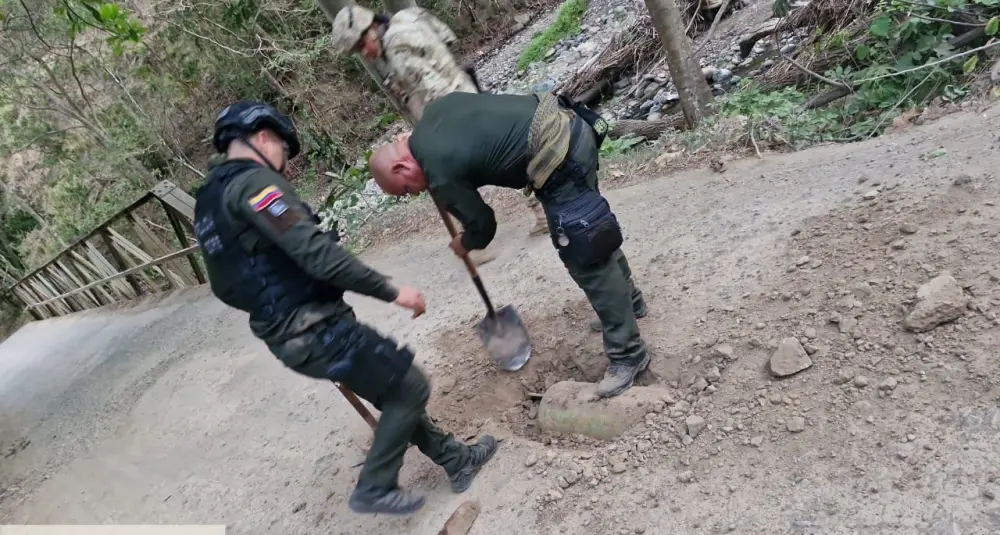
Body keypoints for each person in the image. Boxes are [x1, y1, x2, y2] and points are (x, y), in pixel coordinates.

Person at [192, 100, 497, 515]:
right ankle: (375, 486)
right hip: (317, 329)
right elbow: (317, 255)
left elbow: (224, 286)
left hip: (290, 335)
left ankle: (456, 460)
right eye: (283, 149)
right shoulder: (254, 186)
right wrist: (392, 291)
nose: (283, 165)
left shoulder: (210, 202)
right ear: (262, 138)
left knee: (391, 391)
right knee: (411, 387)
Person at [368, 91, 651, 398]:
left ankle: (628, 354)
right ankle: (630, 303)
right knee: (594, 232)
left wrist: (465, 242)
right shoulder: (435, 115)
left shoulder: (438, 173)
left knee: (586, 255)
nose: (416, 193)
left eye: (408, 190)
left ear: (401, 168)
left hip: (557, 153)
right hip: (567, 124)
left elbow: (484, 225)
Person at [330, 4, 549, 265]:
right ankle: (540, 210)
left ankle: (476, 240)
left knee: (481, 167)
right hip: (466, 92)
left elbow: (432, 90)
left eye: (362, 45)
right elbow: (447, 37)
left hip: (453, 113)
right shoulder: (407, 17)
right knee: (504, 152)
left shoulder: (397, 48)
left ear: (371, 28)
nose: (365, 53)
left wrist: (431, 130)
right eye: (358, 51)